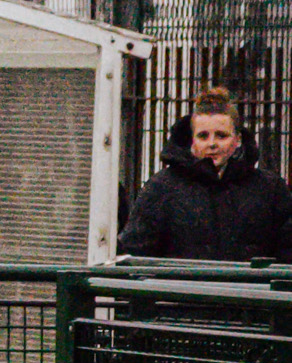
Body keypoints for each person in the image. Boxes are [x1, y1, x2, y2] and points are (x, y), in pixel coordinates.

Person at [117, 86, 292, 263]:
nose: (212, 144)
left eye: (221, 136)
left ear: (238, 139)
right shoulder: (161, 188)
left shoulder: (271, 189)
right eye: (203, 136)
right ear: (192, 140)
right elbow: (134, 252)